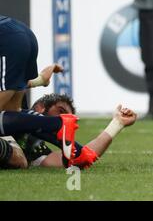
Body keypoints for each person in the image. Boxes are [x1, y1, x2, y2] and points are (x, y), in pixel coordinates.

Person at [0, 15, 79, 164]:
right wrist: (40, 80)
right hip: (21, 32)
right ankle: (77, 148)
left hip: (7, 38)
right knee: (11, 110)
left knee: (10, 113)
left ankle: (58, 123)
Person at [1, 93, 137, 169]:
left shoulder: (35, 147)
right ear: (40, 107)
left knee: (19, 159)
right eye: (60, 112)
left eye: (67, 117)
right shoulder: (13, 105)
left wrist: (116, 125)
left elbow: (78, 158)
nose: (64, 117)